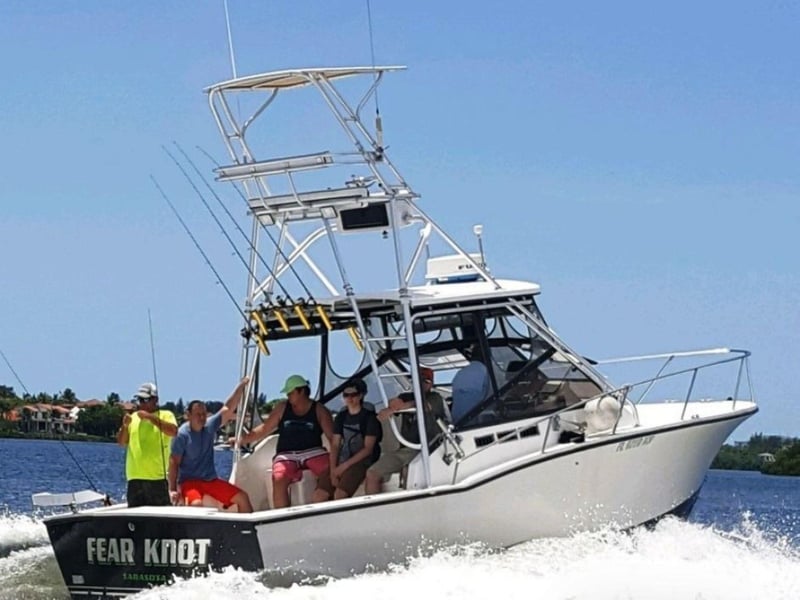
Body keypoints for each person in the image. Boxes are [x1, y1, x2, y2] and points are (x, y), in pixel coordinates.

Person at [236, 374, 334, 508]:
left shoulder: (320, 410)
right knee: (279, 477)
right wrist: (243, 439)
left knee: (327, 468)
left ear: (301, 391)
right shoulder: (282, 408)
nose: (288, 396)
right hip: (286, 454)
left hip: (314, 452)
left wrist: (336, 462)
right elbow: (265, 429)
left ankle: (322, 501)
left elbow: (333, 438)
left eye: (290, 392)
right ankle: (281, 515)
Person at [168, 377, 253, 512]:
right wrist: (172, 489)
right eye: (197, 414)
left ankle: (245, 531)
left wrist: (241, 386)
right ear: (188, 415)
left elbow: (228, 408)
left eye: (203, 414)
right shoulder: (181, 435)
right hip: (189, 483)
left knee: (243, 498)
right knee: (196, 505)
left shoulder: (209, 426)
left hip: (210, 480)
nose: (202, 418)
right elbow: (174, 463)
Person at [365, 367, 447, 494]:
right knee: (372, 473)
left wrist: (403, 406)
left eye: (426, 381)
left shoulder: (435, 397)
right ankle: (374, 508)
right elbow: (394, 403)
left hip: (429, 449)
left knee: (411, 473)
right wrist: (393, 407)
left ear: (431, 384)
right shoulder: (405, 396)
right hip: (406, 450)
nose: (422, 383)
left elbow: (425, 406)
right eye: (418, 380)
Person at [116, 382, 178, 507]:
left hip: (156, 479)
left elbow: (173, 431)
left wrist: (150, 418)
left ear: (155, 400)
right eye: (140, 400)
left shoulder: (166, 415)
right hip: (134, 479)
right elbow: (121, 442)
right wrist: (124, 426)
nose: (142, 404)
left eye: (145, 400)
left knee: (161, 519)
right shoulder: (133, 418)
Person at [326, 378, 381, 499]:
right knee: (319, 495)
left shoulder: (370, 418)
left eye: (353, 395)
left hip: (362, 462)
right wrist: (333, 470)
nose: (349, 398)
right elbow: (335, 445)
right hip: (342, 459)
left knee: (340, 495)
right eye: (346, 395)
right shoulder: (341, 417)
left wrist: (342, 467)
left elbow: (368, 449)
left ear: (361, 395)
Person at [450, 343, 492, 423]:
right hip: (476, 422)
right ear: (486, 357)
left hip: (457, 421)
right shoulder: (486, 372)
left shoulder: (460, 373)